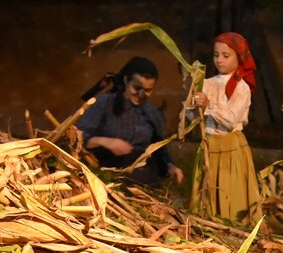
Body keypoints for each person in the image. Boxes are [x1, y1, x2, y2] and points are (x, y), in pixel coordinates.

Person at [77, 56, 184, 187]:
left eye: (148, 90)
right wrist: (106, 142)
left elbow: (161, 151)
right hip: (107, 180)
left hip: (145, 182)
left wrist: (171, 167)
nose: (141, 94)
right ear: (126, 80)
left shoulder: (152, 113)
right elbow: (78, 138)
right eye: (137, 88)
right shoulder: (103, 104)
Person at [190, 32, 261, 225]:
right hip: (209, 145)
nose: (219, 60)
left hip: (231, 147)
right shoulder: (207, 83)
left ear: (239, 57)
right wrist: (192, 101)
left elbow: (229, 120)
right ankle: (205, 224)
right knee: (208, 188)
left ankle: (233, 227)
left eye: (225, 55)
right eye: (216, 55)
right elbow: (193, 118)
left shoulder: (241, 88)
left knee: (230, 190)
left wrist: (208, 106)